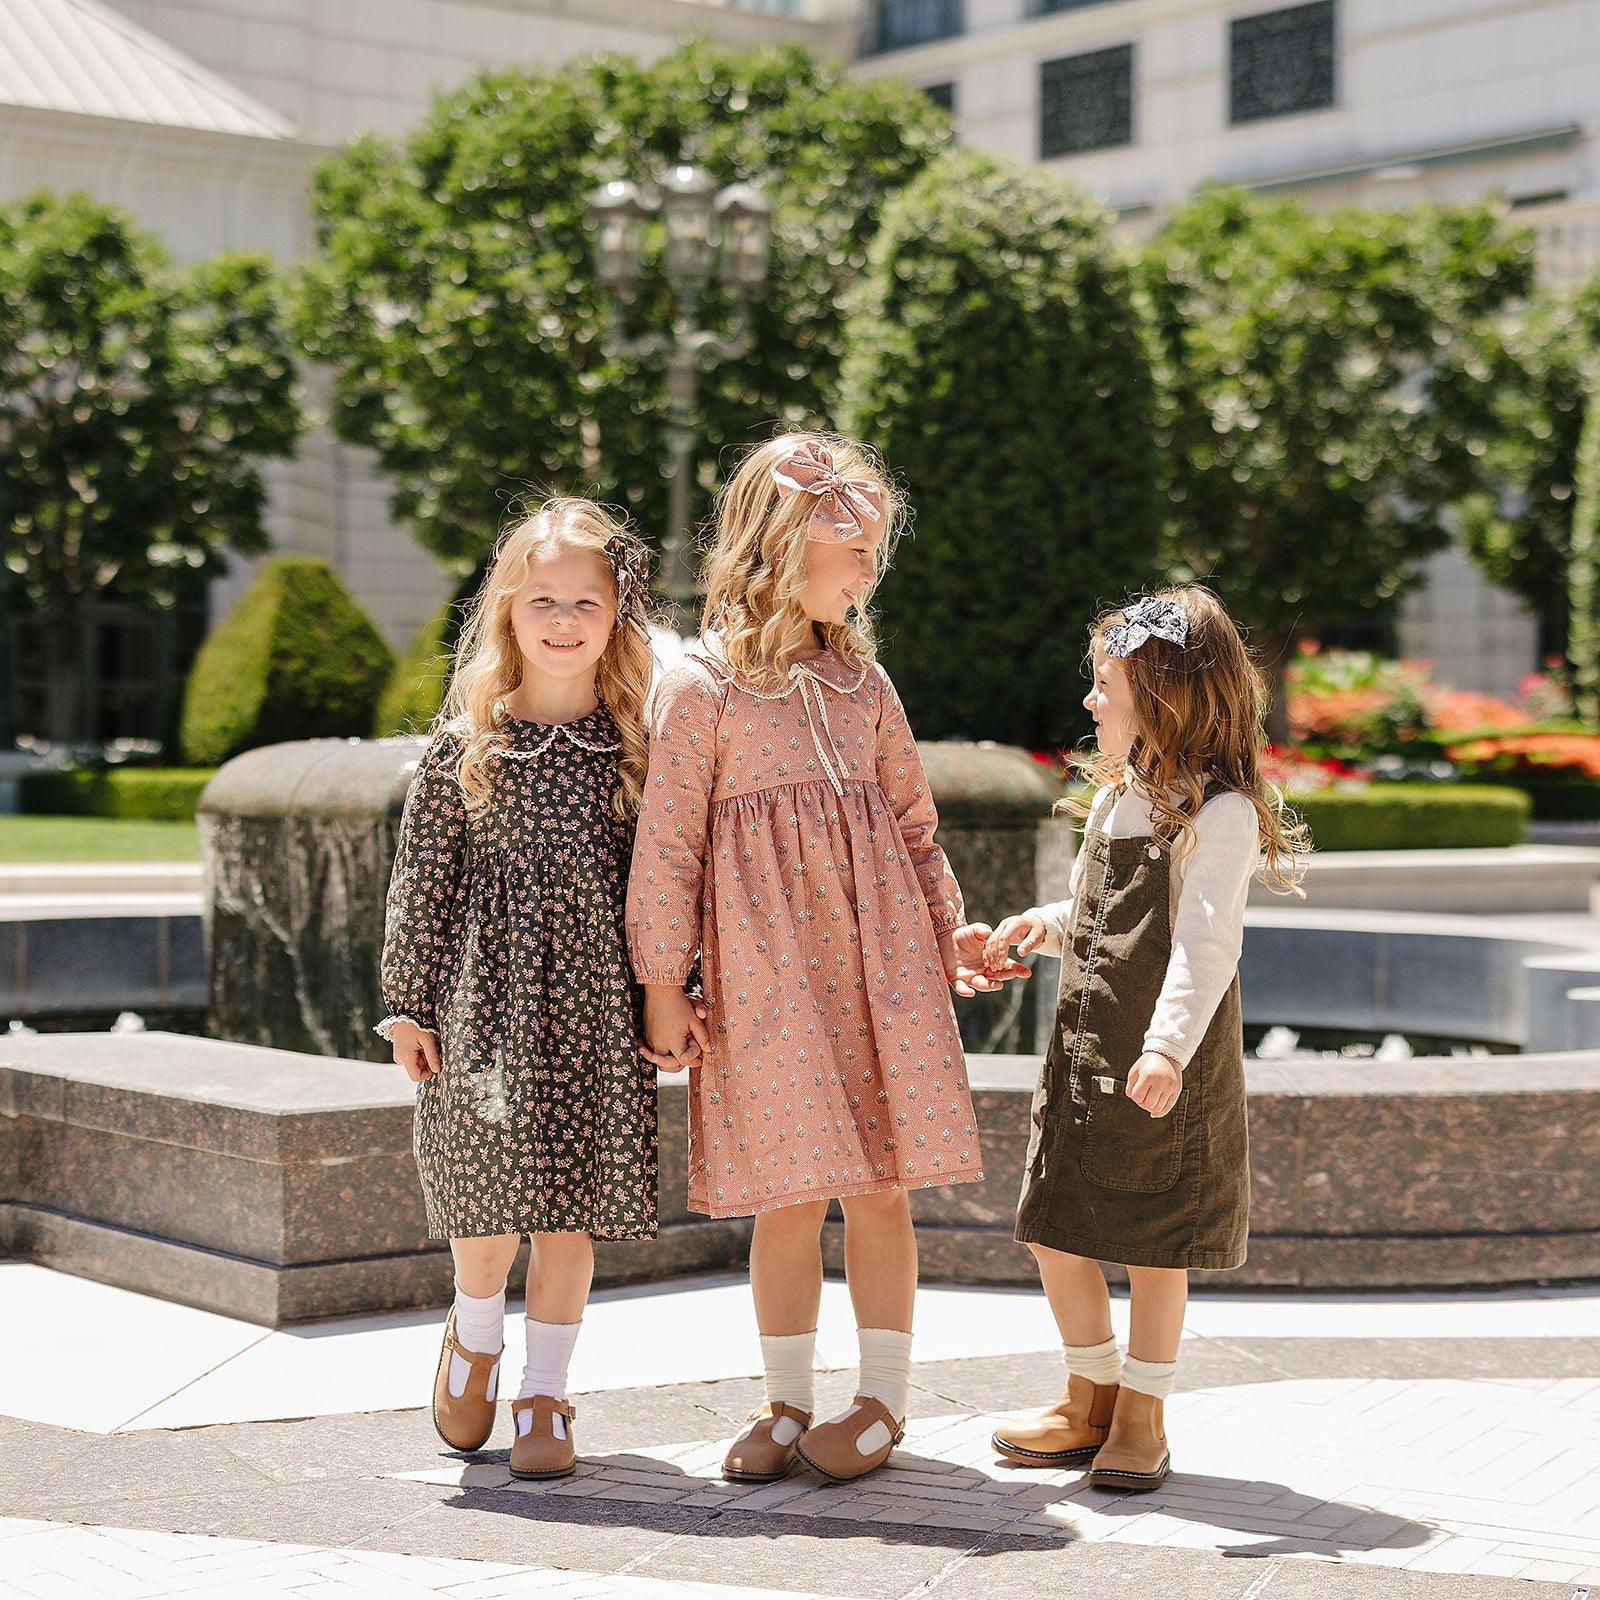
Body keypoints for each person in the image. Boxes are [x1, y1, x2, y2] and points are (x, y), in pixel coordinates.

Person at [627, 433, 1013, 1486]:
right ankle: (787, 1400)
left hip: (878, 971)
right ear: (783, 547)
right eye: (854, 552)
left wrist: (952, 931)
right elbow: (667, 847)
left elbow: (913, 826)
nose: (867, 575)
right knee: (786, 1193)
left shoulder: (864, 687)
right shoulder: (700, 689)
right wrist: (663, 980)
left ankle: (882, 1396)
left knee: (881, 1186)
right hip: (765, 983)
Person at [984, 586, 1303, 1492]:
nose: (1090, 702)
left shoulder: (1220, 813)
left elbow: (1205, 948)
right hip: (1088, 1061)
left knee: (1158, 1244)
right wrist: (1033, 930)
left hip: (1162, 1066)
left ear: (1161, 694)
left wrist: (1165, 1047)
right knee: (1054, 1226)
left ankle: (1144, 1413)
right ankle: (1090, 1392)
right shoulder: (1119, 799)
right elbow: (1096, 917)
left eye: (1105, 684)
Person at [378, 499, 660, 1482]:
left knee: (567, 1207)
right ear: (507, 609)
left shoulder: (636, 752)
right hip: (480, 1006)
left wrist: (674, 991)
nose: (564, 618)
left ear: (618, 616)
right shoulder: (466, 747)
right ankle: (474, 1333)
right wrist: (408, 1001)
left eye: (587, 599)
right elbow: (424, 880)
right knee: (489, 1197)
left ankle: (545, 1390)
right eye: (543, 597)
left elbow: (663, 885)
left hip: (590, 1005)